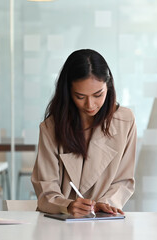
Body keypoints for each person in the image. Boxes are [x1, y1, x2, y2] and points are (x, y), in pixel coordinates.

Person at [31, 49, 136, 217]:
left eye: (98, 94)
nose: (90, 104)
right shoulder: (51, 127)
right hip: (60, 221)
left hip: (104, 220)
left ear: (108, 87)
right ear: (68, 92)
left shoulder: (125, 121)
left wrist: (106, 203)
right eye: (80, 96)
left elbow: (124, 180)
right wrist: (66, 205)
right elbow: (46, 189)